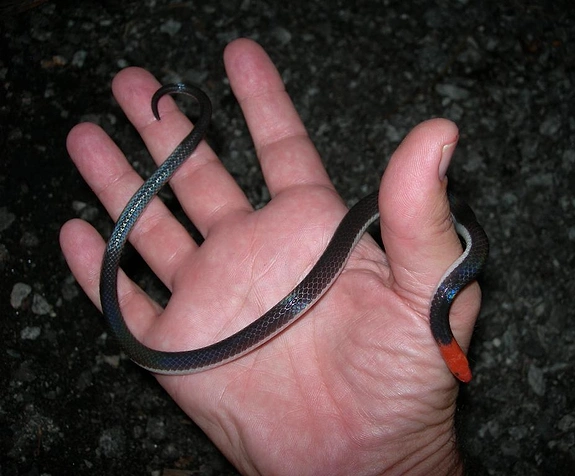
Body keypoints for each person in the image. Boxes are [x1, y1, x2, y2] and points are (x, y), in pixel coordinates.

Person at [59, 38, 482, 475]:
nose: (461, 378)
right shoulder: (458, 274)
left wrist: (407, 462)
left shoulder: (455, 280)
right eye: (459, 367)